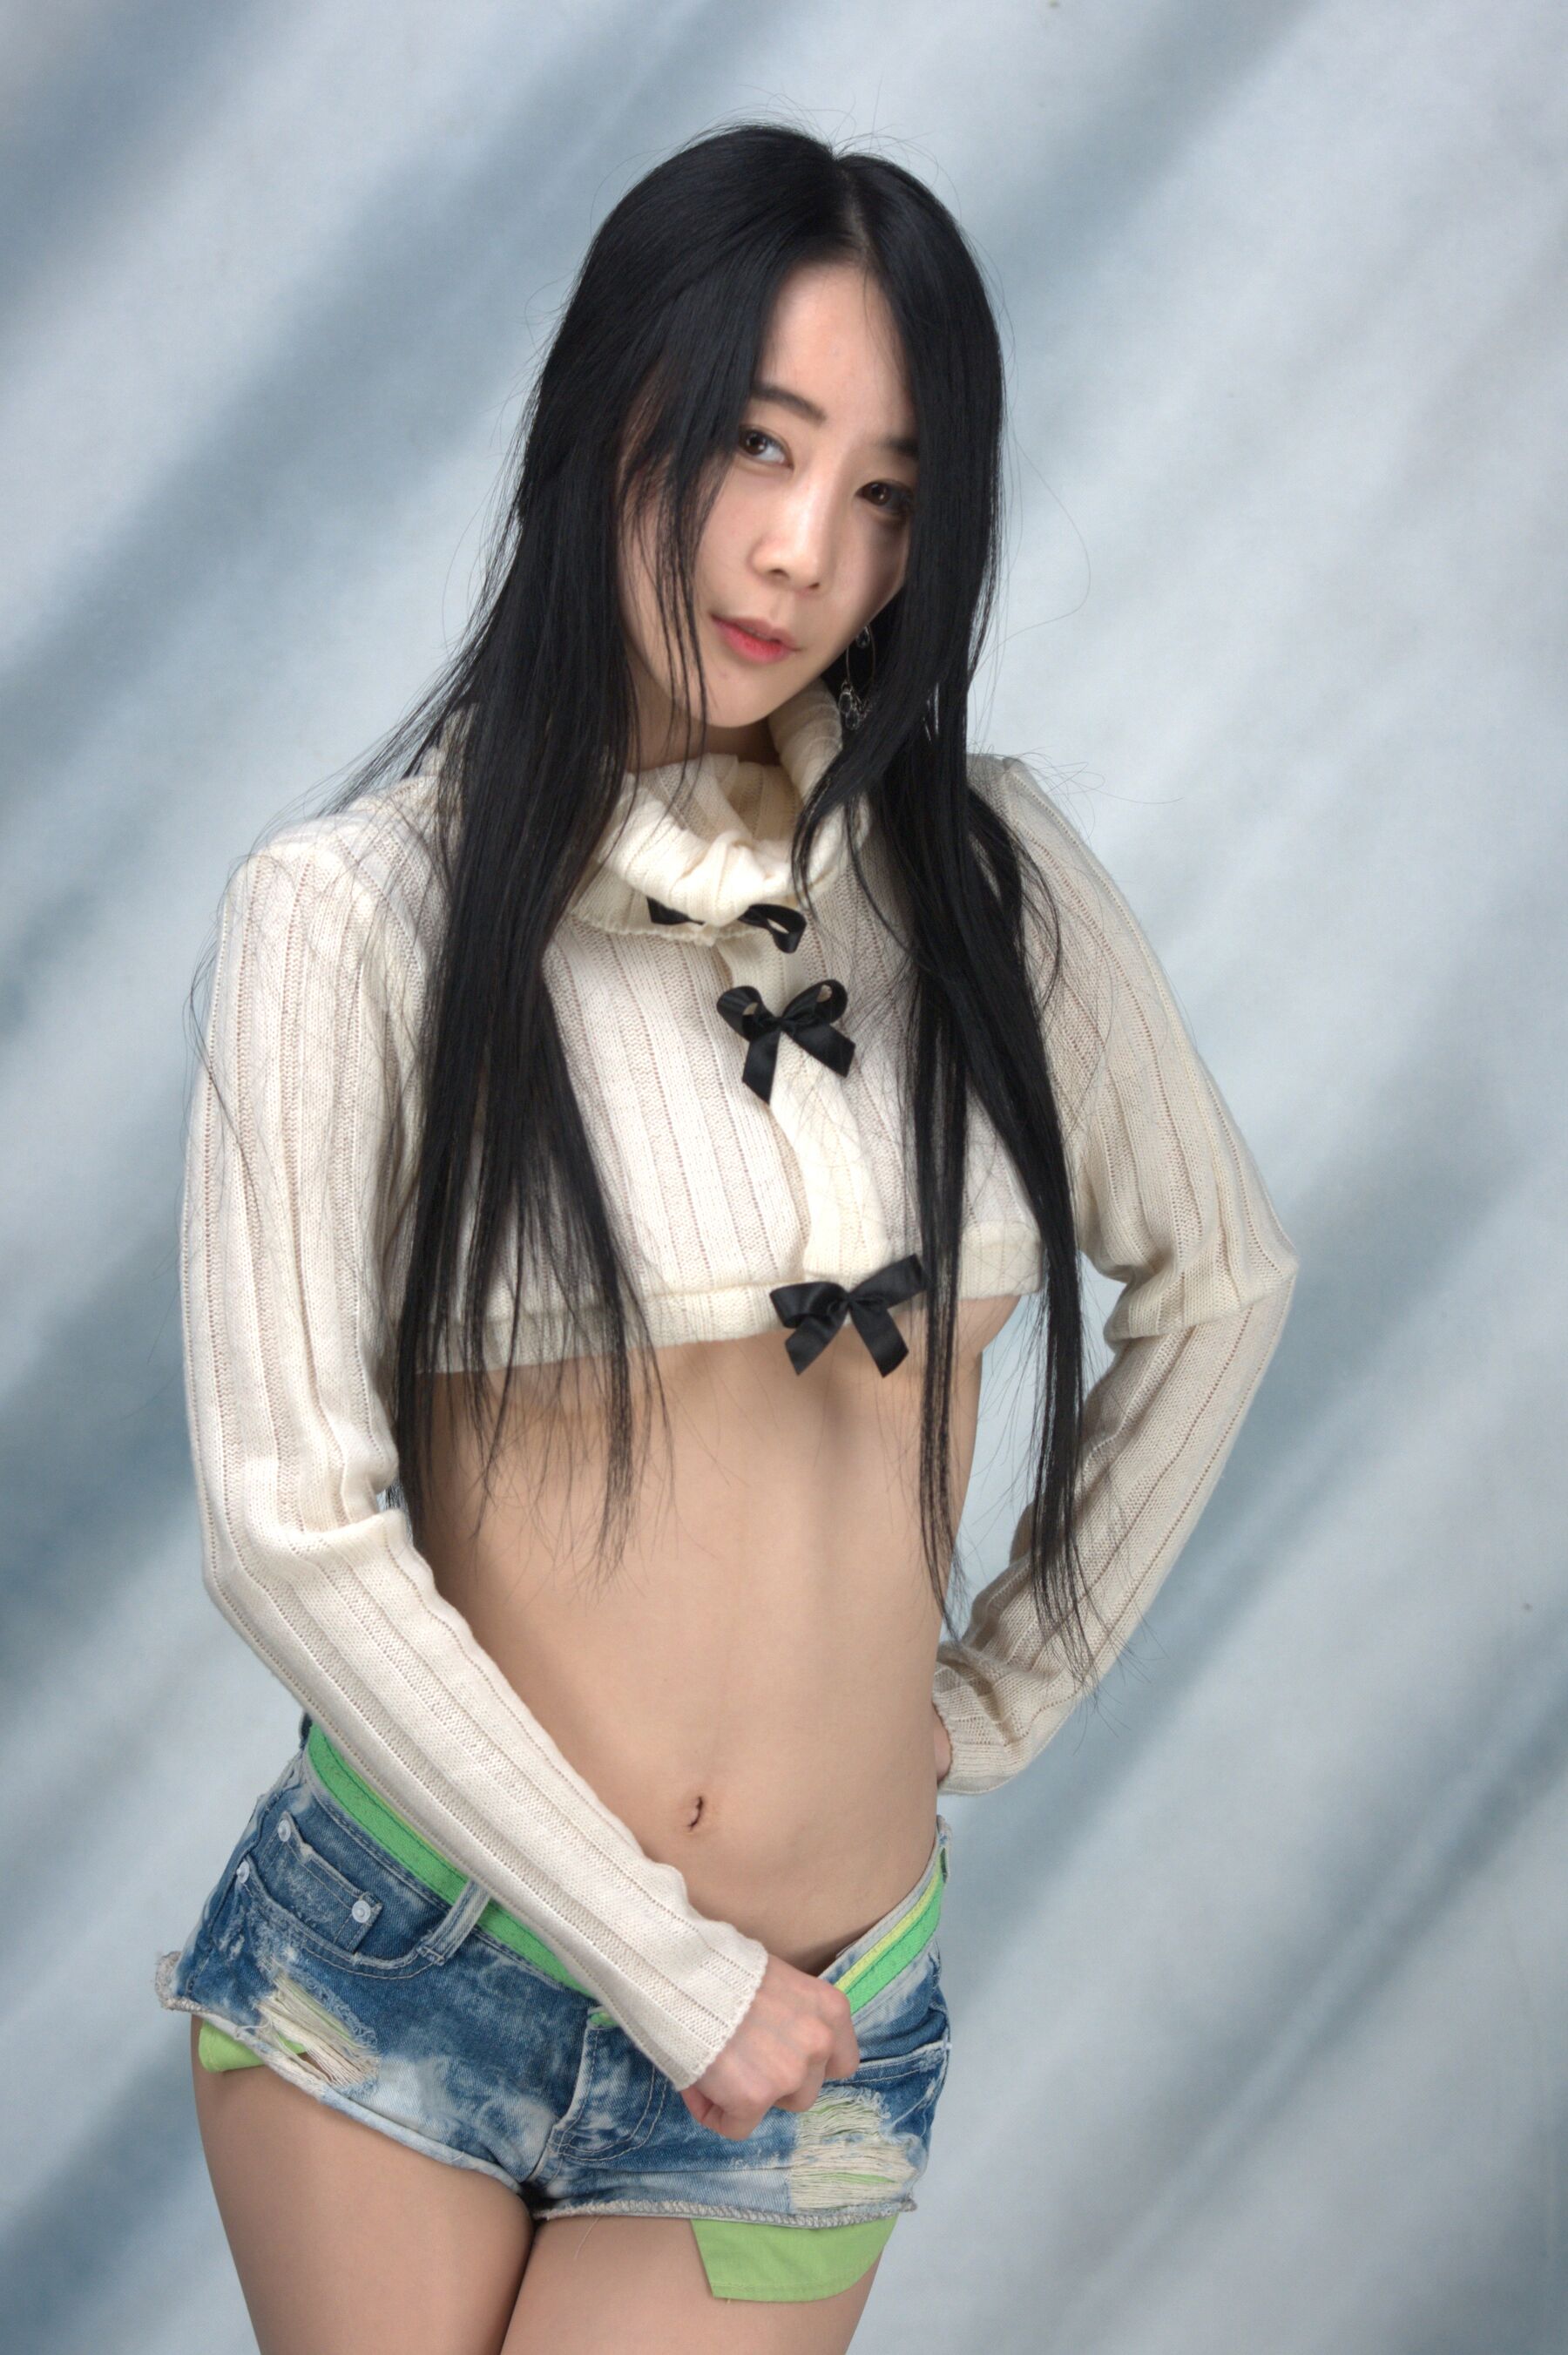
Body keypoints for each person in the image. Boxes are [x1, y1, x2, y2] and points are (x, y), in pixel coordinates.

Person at [152, 119, 1299, 2353]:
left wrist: (1004, 1685)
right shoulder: (352, 918)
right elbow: (288, 1529)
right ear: (612, 419)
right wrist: (663, 1963)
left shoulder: (989, 886)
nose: (805, 549)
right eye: (759, 445)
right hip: (402, 1959)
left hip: (816, 2014)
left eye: (887, 493)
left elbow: (1223, 1278)